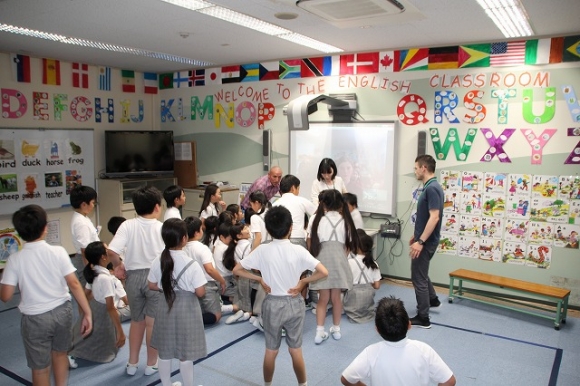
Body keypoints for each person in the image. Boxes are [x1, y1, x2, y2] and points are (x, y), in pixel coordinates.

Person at [233, 206, 328, 386]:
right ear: (291, 227)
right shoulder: (298, 250)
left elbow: (237, 269)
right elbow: (323, 271)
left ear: (268, 229)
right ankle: (303, 384)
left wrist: (259, 278)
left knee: (271, 350)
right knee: (295, 350)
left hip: (272, 304)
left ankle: (268, 384)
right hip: (294, 302)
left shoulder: (262, 250)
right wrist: (303, 283)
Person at [0, 205, 92, 386]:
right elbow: (74, 284)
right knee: (60, 355)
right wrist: (87, 312)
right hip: (62, 312)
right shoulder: (58, 251)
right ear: (45, 228)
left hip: (34, 319)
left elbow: (6, 296)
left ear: (19, 232)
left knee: (40, 368)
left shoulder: (15, 260)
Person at [107, 186, 165, 376]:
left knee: (136, 320)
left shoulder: (127, 225)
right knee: (152, 323)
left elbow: (112, 251)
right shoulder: (162, 227)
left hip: (133, 277)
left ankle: (132, 363)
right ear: (157, 207)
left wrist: (118, 265)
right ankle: (151, 364)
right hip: (154, 278)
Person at [341, 296, 456, 386]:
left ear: (377, 329)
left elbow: (346, 379)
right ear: (409, 325)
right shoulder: (423, 350)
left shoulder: (370, 353)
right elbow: (449, 381)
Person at [148, 218, 207, 386]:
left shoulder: (158, 260)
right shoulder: (191, 264)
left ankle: (166, 384)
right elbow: (201, 292)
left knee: (164, 351)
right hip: (187, 309)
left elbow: (151, 285)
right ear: (184, 238)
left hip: (165, 305)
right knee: (185, 352)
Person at [308, 189, 359, 344]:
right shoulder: (346, 221)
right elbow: (348, 246)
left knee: (322, 299)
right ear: (340, 204)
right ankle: (336, 329)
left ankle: (319, 332)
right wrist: (341, 258)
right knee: (337, 298)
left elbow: (310, 242)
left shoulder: (315, 219)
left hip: (321, 260)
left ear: (324, 203)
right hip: (339, 260)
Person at [69, 241, 126, 363]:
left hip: (95, 310)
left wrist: (83, 316)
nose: (110, 252)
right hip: (103, 314)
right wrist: (121, 332)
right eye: (107, 251)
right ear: (103, 257)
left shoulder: (95, 272)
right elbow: (110, 308)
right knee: (106, 352)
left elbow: (85, 296)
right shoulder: (105, 278)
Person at [409, 154, 444, 329]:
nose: (415, 171)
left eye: (416, 168)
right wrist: (416, 236)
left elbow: (434, 217)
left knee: (418, 278)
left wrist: (420, 241)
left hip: (426, 242)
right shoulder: (431, 186)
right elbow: (425, 218)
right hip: (423, 239)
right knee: (421, 273)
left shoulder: (432, 188)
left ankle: (423, 317)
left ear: (424, 168)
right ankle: (433, 300)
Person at [183, 216, 227, 326]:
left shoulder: (182, 247)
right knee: (216, 315)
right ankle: (190, 320)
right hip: (206, 284)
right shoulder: (202, 248)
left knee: (201, 308)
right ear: (198, 232)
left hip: (189, 284)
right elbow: (209, 269)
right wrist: (221, 280)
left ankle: (191, 315)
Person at [343, 229, 381, 323]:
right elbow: (377, 286)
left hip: (353, 299)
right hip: (368, 303)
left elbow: (343, 283)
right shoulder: (374, 263)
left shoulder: (349, 262)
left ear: (355, 246)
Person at [273, 174, 317, 248]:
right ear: (293, 188)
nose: (298, 192)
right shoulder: (301, 200)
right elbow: (316, 212)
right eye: (298, 189)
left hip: (280, 240)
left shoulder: (275, 204)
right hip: (298, 239)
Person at [222, 223, 254, 324]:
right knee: (251, 301)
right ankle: (246, 315)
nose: (247, 229)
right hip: (249, 276)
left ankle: (240, 311)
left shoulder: (234, 248)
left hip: (240, 276)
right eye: (244, 228)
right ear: (239, 235)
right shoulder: (250, 246)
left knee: (243, 298)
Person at [70, 185, 100, 286]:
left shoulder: (82, 217)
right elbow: (84, 250)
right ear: (83, 204)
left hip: (89, 257)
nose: (93, 205)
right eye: (92, 203)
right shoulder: (81, 223)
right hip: (86, 260)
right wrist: (89, 270)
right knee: (88, 289)